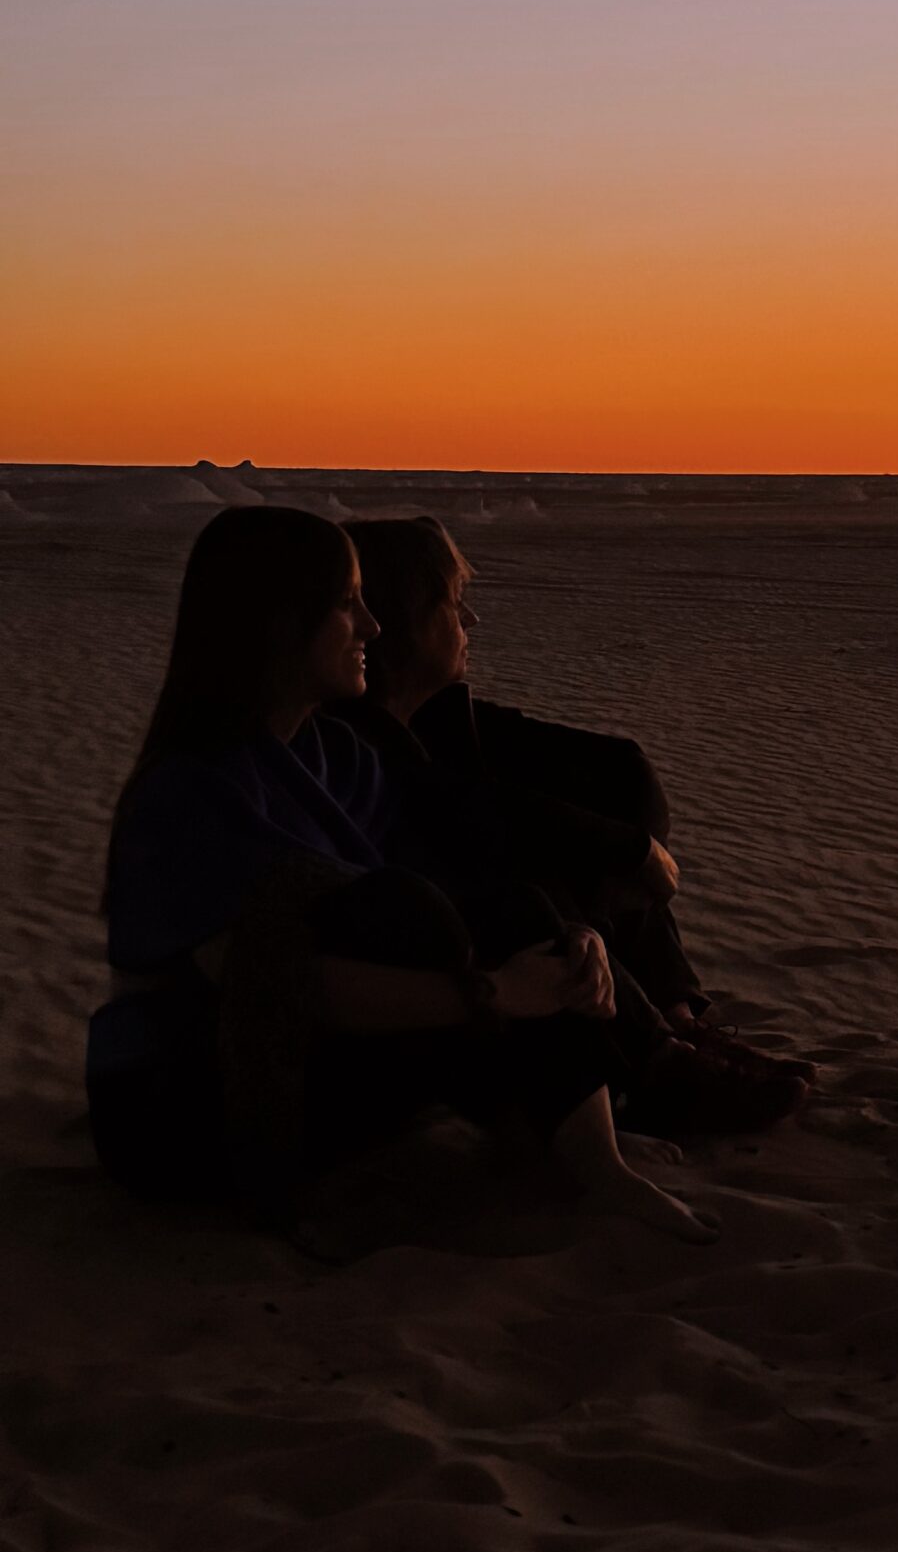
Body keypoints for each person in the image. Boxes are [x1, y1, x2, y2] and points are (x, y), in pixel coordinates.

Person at [92, 506, 716, 1243]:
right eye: (348, 604)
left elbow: (470, 885)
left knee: (508, 907)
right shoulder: (190, 793)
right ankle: (568, 1139)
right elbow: (270, 985)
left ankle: (589, 1152)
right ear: (283, 621)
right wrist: (493, 994)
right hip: (190, 1102)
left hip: (311, 1063)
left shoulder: (344, 758)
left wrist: (574, 937)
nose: (373, 627)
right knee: (403, 907)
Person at [340, 516, 811, 1132]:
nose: (471, 622)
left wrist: (630, 847)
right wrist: (629, 851)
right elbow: (455, 810)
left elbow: (617, 768)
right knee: (545, 876)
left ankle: (678, 1024)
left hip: (476, 944)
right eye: (453, 605)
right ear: (401, 620)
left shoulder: (442, 717)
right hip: (431, 974)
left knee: (581, 842)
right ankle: (657, 1066)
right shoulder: (347, 740)